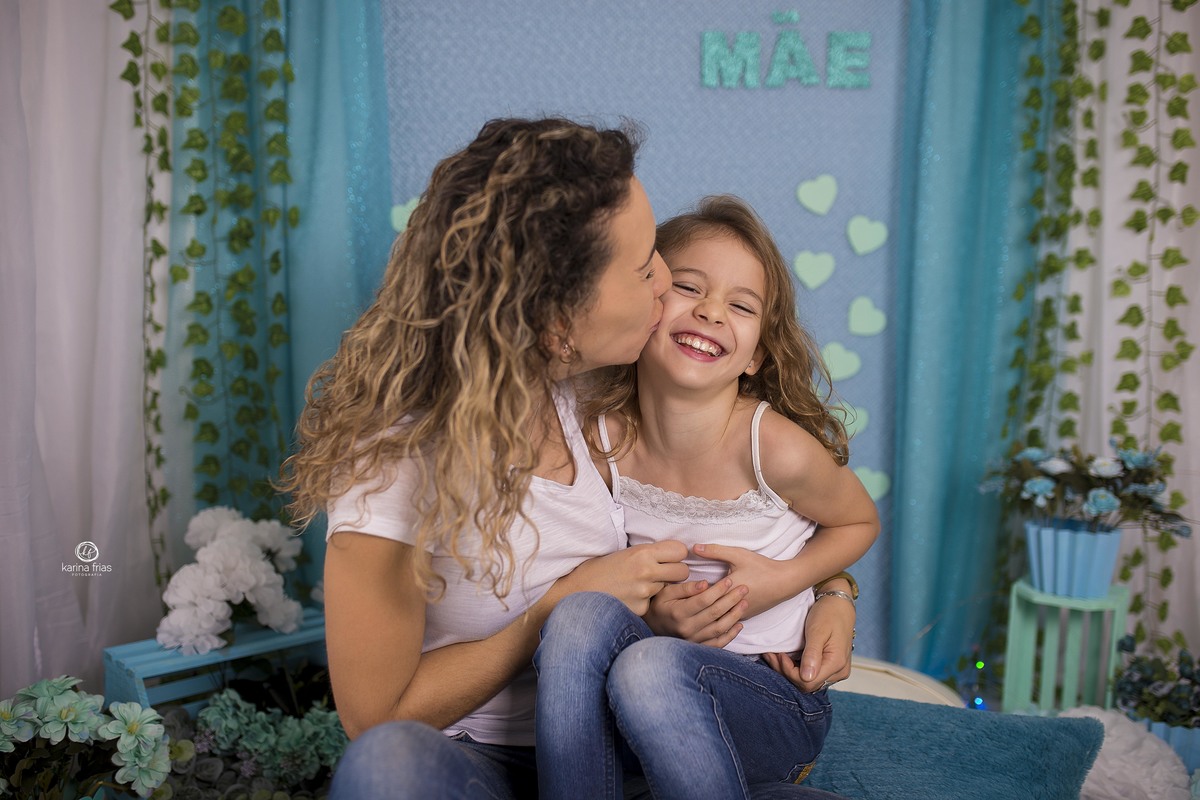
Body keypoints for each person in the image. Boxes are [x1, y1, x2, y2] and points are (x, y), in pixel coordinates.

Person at [280, 118, 858, 798]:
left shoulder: (595, 396)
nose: (667, 281)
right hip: (480, 762)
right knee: (387, 769)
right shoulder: (392, 462)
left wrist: (830, 591)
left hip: (630, 746)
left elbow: (771, 502)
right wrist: (552, 611)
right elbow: (374, 718)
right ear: (556, 319)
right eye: (645, 267)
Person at [534, 195, 880, 800]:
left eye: (741, 306)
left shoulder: (774, 448)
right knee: (583, 616)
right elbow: (603, 579)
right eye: (689, 287)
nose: (712, 311)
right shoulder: (597, 434)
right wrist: (653, 617)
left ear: (758, 356)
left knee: (650, 666)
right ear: (644, 303)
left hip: (769, 698)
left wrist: (791, 580)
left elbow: (858, 521)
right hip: (644, 687)